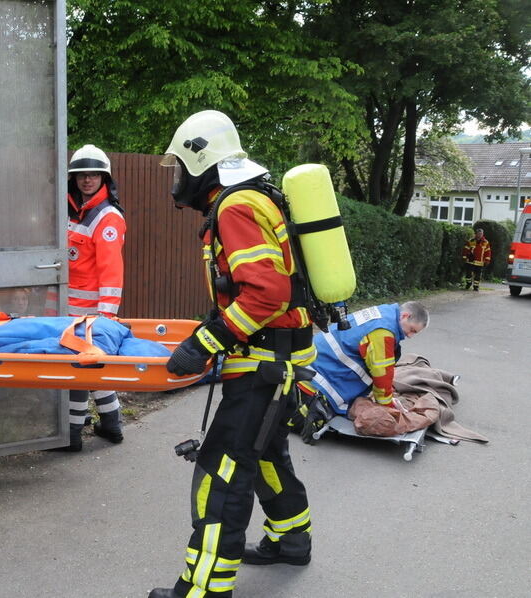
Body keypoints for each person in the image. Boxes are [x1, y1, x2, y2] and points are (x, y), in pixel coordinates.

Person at [150, 110, 316, 598]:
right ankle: (291, 540)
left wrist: (203, 343)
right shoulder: (256, 197)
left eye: (181, 165)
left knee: (220, 472)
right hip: (281, 363)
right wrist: (217, 324)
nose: (178, 178)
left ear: (202, 162)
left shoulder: (235, 206)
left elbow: (267, 294)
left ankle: (203, 588)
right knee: (264, 456)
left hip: (264, 366)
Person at [63, 144, 126, 451]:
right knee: (93, 367)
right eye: (81, 175)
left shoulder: (107, 217)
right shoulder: (69, 209)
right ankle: (112, 424)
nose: (87, 180)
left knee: (77, 369)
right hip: (68, 310)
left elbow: (111, 272)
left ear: (104, 178)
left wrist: (106, 317)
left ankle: (72, 434)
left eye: (93, 175)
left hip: (90, 313)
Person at [297, 302, 429, 444]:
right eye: (412, 330)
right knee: (302, 417)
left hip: (313, 360)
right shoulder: (383, 332)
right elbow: (382, 373)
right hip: (320, 374)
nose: (410, 336)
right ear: (405, 316)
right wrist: (387, 405)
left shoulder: (386, 312)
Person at [462, 227, 490, 291]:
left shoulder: (486, 242)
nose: (480, 235)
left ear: (483, 234)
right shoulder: (471, 241)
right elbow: (465, 249)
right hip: (470, 261)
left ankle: (476, 286)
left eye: (481, 234)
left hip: (480, 262)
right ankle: (468, 283)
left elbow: (488, 252)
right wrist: (464, 257)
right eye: (478, 233)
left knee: (477, 276)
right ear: (476, 234)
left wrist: (487, 260)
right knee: (468, 274)